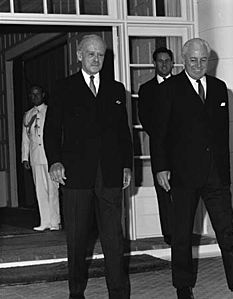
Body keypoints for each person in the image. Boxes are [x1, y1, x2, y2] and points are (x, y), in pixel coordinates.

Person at [150, 38, 233, 299]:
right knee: (181, 235)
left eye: (203, 60)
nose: (198, 65)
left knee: (227, 231)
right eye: (193, 60)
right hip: (182, 175)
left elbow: (223, 134)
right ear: (183, 60)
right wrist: (161, 168)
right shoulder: (168, 89)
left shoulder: (218, 88)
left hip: (215, 175)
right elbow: (159, 134)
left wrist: (226, 173)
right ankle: (183, 288)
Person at [44, 34, 133, 299]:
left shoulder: (116, 90)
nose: (96, 59)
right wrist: (55, 161)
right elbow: (51, 130)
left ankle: (119, 294)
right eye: (91, 54)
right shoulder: (63, 87)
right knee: (77, 241)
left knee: (114, 241)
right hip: (76, 175)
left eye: (101, 55)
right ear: (80, 55)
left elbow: (123, 133)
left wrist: (127, 166)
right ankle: (76, 293)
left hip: (110, 175)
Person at [138, 47, 174, 245]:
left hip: (182, 150)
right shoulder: (147, 89)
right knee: (163, 191)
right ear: (154, 63)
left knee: (182, 191)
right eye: (160, 61)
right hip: (160, 148)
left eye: (167, 61)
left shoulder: (181, 84)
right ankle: (169, 233)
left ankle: (182, 231)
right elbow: (146, 119)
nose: (164, 64)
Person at [21, 85, 60, 231]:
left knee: (53, 188)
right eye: (32, 94)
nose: (34, 97)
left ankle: (55, 222)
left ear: (43, 95)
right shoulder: (28, 114)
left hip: (50, 156)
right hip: (36, 156)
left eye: (37, 94)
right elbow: (25, 138)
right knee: (40, 190)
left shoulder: (51, 111)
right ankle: (44, 221)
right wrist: (25, 157)